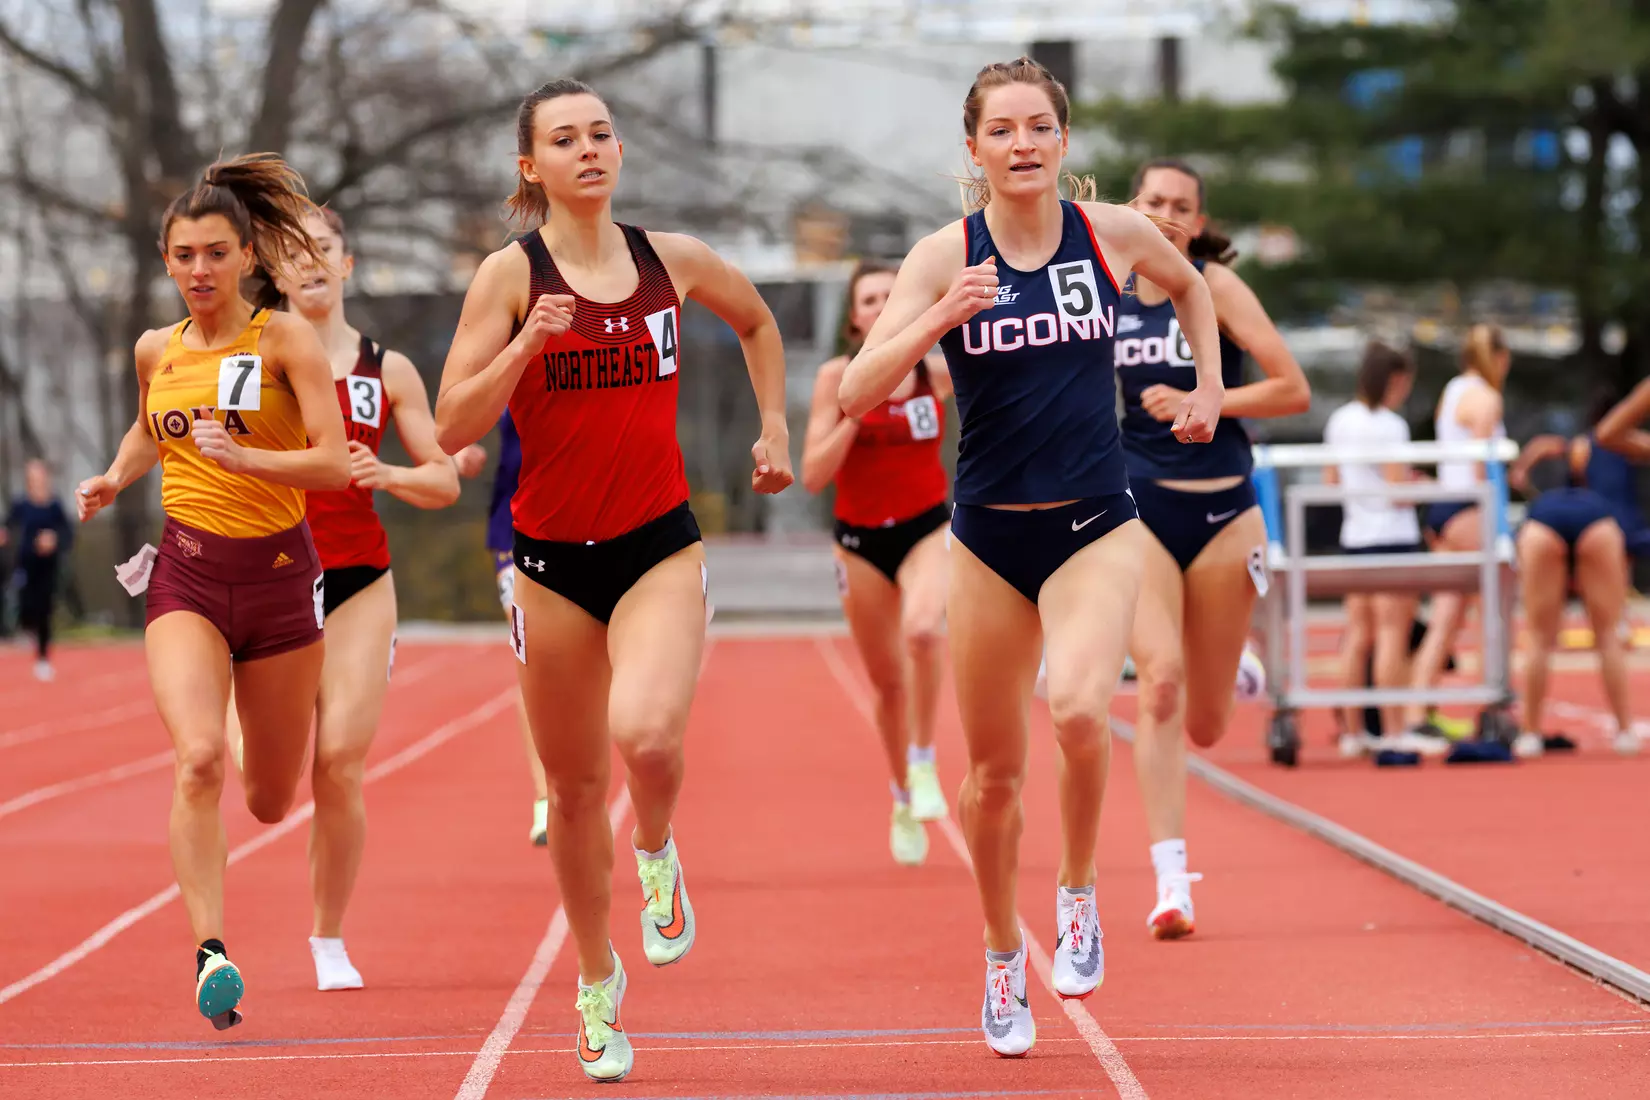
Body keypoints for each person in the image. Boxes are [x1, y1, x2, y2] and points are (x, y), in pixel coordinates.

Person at [839, 57, 1223, 1057]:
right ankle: (1003, 949)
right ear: (973, 149)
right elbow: (855, 390)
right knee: (994, 777)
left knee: (1084, 709)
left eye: (1038, 127)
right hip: (988, 534)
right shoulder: (944, 253)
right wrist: (933, 317)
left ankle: (1081, 889)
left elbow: (1194, 287)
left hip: (1097, 520)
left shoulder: (1112, 236)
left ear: (1063, 141)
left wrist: (1212, 391)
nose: (1022, 144)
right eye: (1001, 130)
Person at [433, 78, 792, 1083]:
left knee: (645, 736)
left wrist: (774, 426)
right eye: (564, 138)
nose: (589, 149)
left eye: (601, 133)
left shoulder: (667, 261)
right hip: (548, 566)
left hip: (658, 546)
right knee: (576, 787)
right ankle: (597, 982)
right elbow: (453, 425)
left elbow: (759, 323)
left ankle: (662, 848)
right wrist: (525, 347)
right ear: (530, 166)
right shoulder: (508, 277)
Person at [75, 153, 350, 1029]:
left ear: (245, 258)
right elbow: (151, 426)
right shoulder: (156, 346)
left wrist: (248, 457)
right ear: (166, 259)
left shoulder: (282, 339)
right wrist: (116, 476)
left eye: (216, 254)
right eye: (185, 255)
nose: (200, 271)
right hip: (187, 575)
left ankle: (248, 716)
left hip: (278, 585)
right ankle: (210, 952)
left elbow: (334, 462)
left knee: (270, 798)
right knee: (197, 761)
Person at [224, 205, 462, 991]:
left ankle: (329, 936)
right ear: (274, 273)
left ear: (348, 264)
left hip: (360, 579)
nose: (311, 262)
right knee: (271, 780)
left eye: (324, 248)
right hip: (271, 577)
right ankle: (230, 702)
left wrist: (388, 474)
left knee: (341, 765)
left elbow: (446, 477)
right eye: (294, 253)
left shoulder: (388, 370)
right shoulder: (248, 359)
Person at [1118, 158, 1310, 941]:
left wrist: (1210, 397)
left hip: (1225, 511)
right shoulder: (1104, 289)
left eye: (1180, 206)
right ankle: (1171, 881)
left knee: (1206, 723)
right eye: (1153, 201)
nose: (1165, 215)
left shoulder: (1214, 288)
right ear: (1133, 207)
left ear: (1197, 222)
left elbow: (1292, 389)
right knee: (1157, 686)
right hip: (1136, 509)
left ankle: (1229, 663)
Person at [801, 259, 952, 867]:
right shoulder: (837, 377)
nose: (883, 304)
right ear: (855, 317)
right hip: (860, 543)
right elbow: (812, 475)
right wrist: (854, 412)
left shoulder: (936, 375)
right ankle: (899, 794)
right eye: (870, 298)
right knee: (888, 684)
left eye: (893, 295)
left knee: (922, 631)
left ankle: (922, 761)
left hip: (926, 527)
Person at [1397, 324, 1510, 743]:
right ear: (1499, 360)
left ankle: (1415, 713)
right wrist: (1492, 507)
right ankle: (1494, 704)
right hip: (1469, 506)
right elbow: (1481, 456)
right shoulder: (1488, 397)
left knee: (1447, 615)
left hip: (1446, 508)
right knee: (1493, 612)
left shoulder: (1454, 389)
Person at [1512, 403, 1638, 757]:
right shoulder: (1602, 445)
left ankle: (1530, 734)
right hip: (1595, 517)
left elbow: (1523, 469)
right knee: (1608, 633)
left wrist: (1528, 463)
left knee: (1539, 635)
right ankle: (1625, 731)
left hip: (1545, 518)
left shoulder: (1563, 448)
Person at [1322, 343, 1425, 749]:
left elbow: (1332, 483)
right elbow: (1398, 489)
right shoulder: (1390, 425)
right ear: (1395, 381)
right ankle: (1395, 731)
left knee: (1359, 635)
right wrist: (1421, 486)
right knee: (1390, 635)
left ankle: (1353, 731)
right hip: (1392, 537)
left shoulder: (1340, 420)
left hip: (1356, 537)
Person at [456, 412, 552, 844]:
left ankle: (580, 781)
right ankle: (546, 797)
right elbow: (457, 406)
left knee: (592, 666)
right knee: (534, 659)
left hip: (597, 524)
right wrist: (455, 445)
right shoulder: (513, 346)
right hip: (515, 530)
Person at [4, 459, 74, 681]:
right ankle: (25, 630)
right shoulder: (21, 504)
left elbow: (67, 533)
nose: (37, 481)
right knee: (25, 604)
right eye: (32, 477)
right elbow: (8, 524)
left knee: (44, 610)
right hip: (26, 564)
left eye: (40, 476)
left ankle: (43, 659)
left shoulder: (54, 506)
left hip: (48, 566)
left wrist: (53, 540)